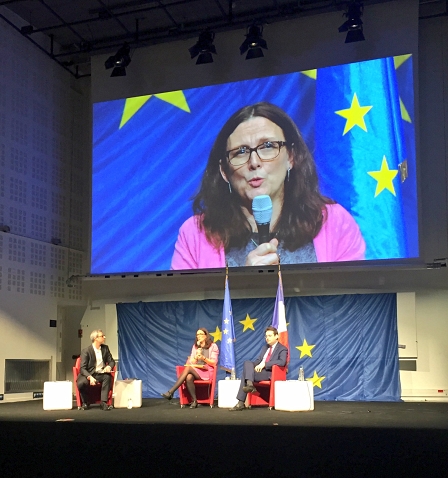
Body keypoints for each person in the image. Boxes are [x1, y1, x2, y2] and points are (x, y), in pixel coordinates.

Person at [171, 102, 365, 270]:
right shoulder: (195, 234)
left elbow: (352, 306)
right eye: (241, 152)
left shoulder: (333, 222)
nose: (254, 162)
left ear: (290, 157)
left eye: (267, 147)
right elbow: (184, 311)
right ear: (224, 171)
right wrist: (245, 288)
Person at [230, 325, 288, 411]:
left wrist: (265, 364)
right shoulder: (265, 348)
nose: (267, 338)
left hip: (270, 372)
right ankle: (249, 385)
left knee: (246, 374)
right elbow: (258, 361)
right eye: (266, 336)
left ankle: (241, 402)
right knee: (247, 363)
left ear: (276, 336)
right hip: (259, 371)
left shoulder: (282, 349)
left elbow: (282, 362)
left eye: (270, 336)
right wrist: (253, 365)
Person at [161, 328, 219, 408]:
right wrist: (195, 358)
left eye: (201, 334)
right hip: (196, 370)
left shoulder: (213, 346)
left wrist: (203, 358)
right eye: (197, 334)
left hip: (206, 372)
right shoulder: (195, 347)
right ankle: (195, 401)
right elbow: (191, 361)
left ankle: (171, 391)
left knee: (188, 368)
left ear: (206, 336)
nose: (199, 336)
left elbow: (214, 362)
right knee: (188, 377)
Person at [76, 329, 115, 411]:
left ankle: (103, 402)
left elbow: (111, 361)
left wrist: (109, 367)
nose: (104, 337)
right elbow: (82, 368)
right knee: (81, 383)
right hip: (88, 373)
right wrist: (90, 377)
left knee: (107, 378)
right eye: (102, 336)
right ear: (96, 338)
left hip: (100, 373)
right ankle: (85, 402)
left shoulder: (105, 348)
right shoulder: (86, 351)